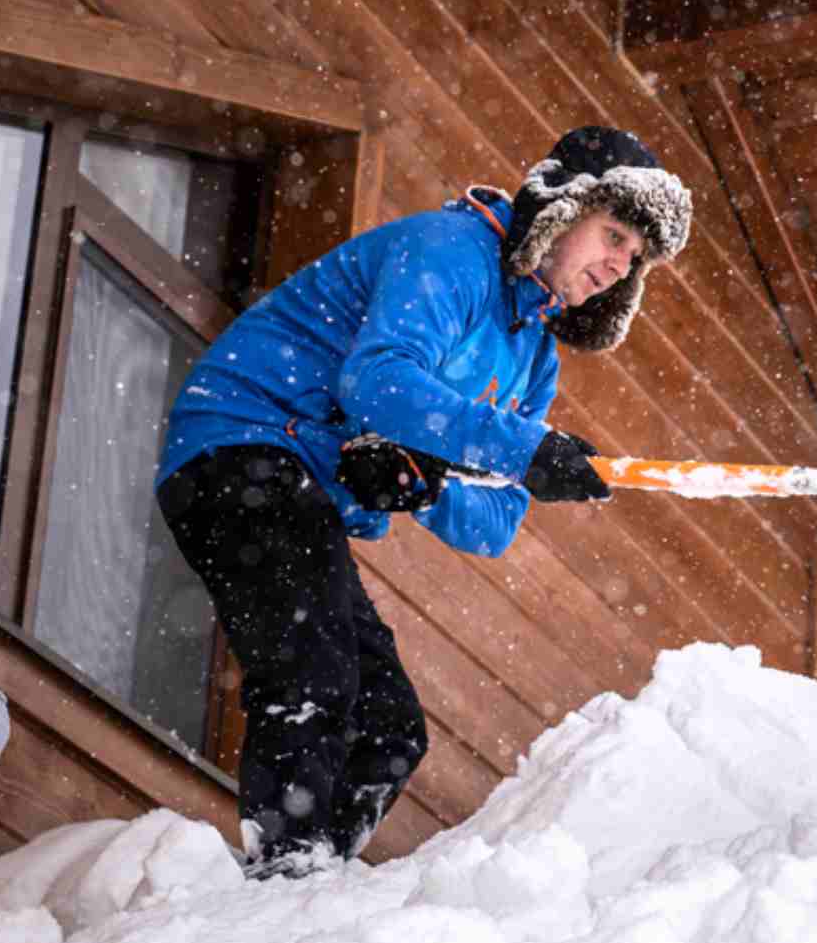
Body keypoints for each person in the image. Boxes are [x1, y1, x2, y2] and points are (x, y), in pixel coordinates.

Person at [153, 126, 693, 876]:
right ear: (562, 209)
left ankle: (308, 889)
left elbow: (496, 522)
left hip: (303, 484)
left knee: (391, 727)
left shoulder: (532, 356)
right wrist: (519, 449)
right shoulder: (451, 252)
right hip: (240, 445)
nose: (618, 264)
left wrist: (428, 483)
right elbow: (376, 381)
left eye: (635, 257)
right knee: (315, 673)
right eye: (613, 234)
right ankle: (286, 871)